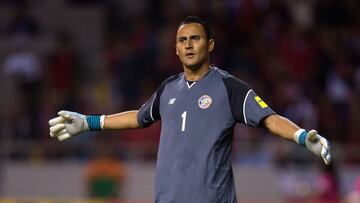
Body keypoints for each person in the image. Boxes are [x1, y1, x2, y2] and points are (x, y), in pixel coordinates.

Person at [49, 16, 331, 203]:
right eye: (182, 40)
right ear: (175, 49)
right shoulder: (168, 88)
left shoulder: (229, 87)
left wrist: (303, 137)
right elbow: (138, 117)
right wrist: (89, 122)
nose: (188, 45)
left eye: (195, 38)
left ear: (209, 45)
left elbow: (269, 119)